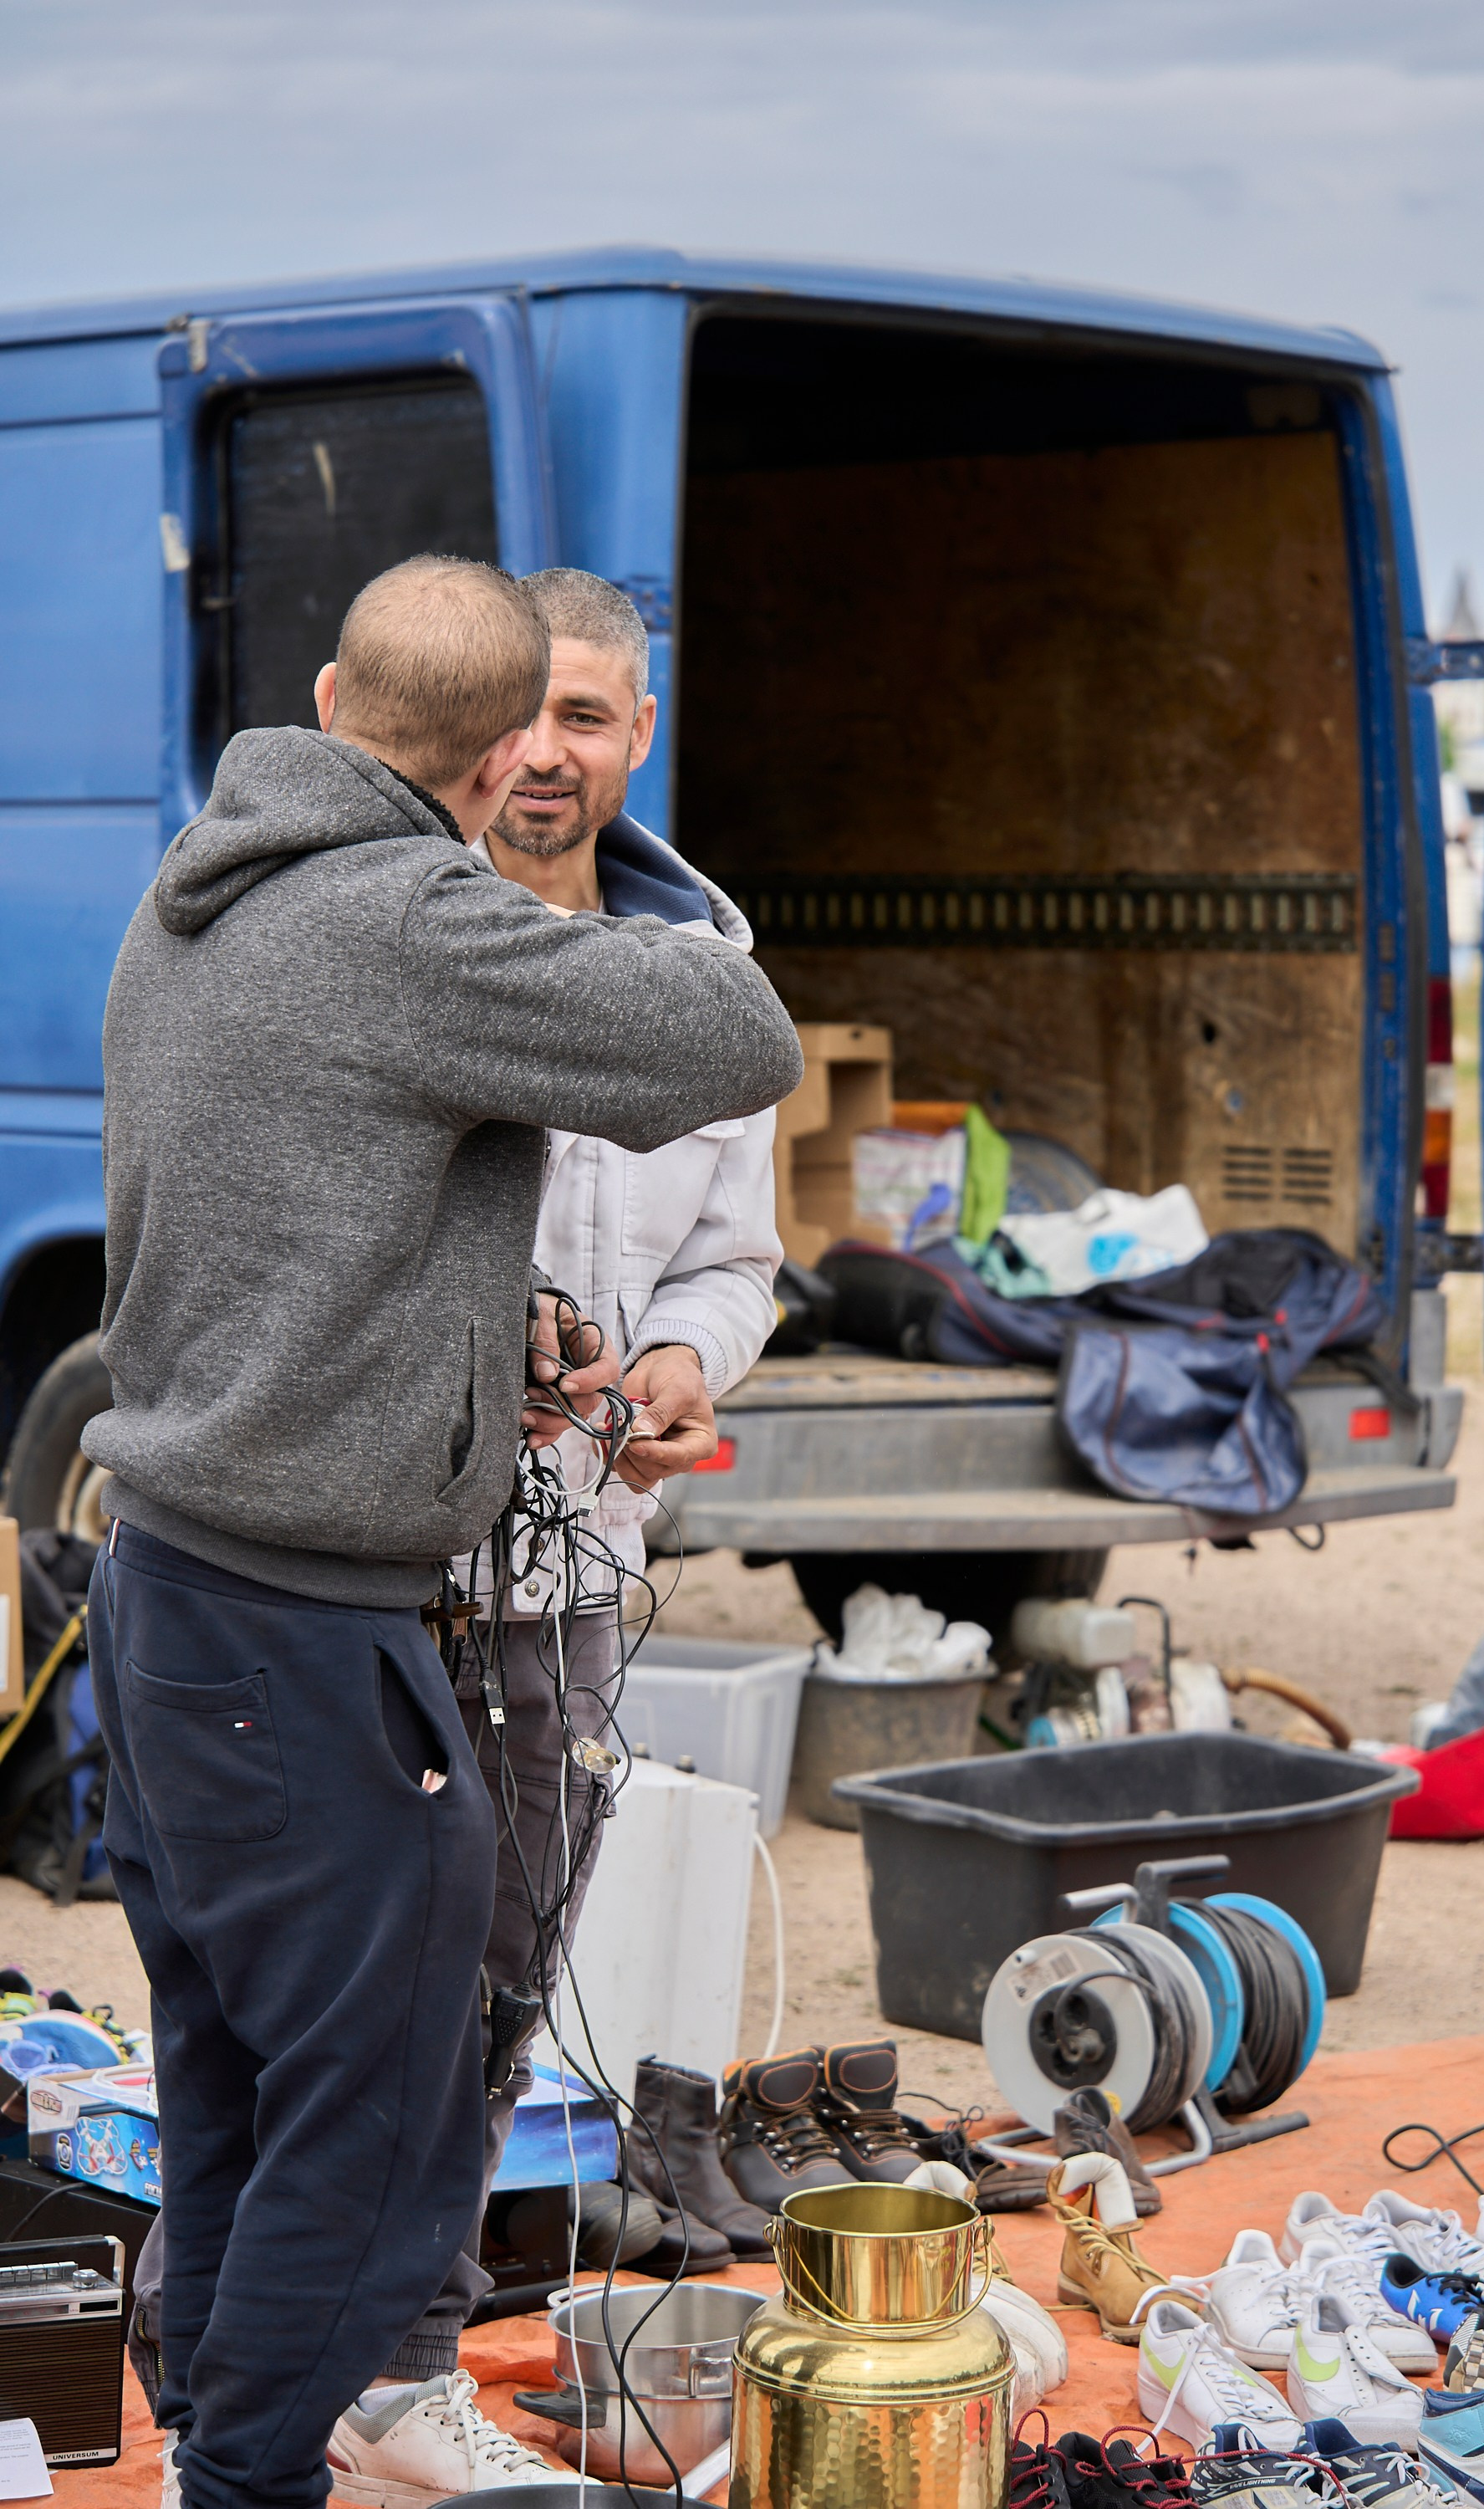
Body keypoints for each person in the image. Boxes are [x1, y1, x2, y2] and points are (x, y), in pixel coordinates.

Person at [85, 554, 803, 2509]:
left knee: (238, 2075)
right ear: (499, 762)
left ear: (327, 701)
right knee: (381, 2105)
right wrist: (594, 849)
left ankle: (216, 2469)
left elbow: (304, 1226)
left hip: (169, 1589)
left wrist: (498, 1349)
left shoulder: (195, 889)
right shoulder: (415, 918)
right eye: (535, 740)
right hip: (313, 1634)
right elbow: (734, 1035)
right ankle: (254, 2477)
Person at [326, 571, 786, 2504]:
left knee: (509, 1979)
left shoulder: (699, 970)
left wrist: (680, 1360)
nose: (543, 756)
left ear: (637, 740)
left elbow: (732, 1250)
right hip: (373, 1567)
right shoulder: (378, 937)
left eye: (586, 718)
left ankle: (401, 2357)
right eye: (518, 717)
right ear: (460, 727)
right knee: (335, 1979)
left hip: (578, 1566)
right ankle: (247, 2348)